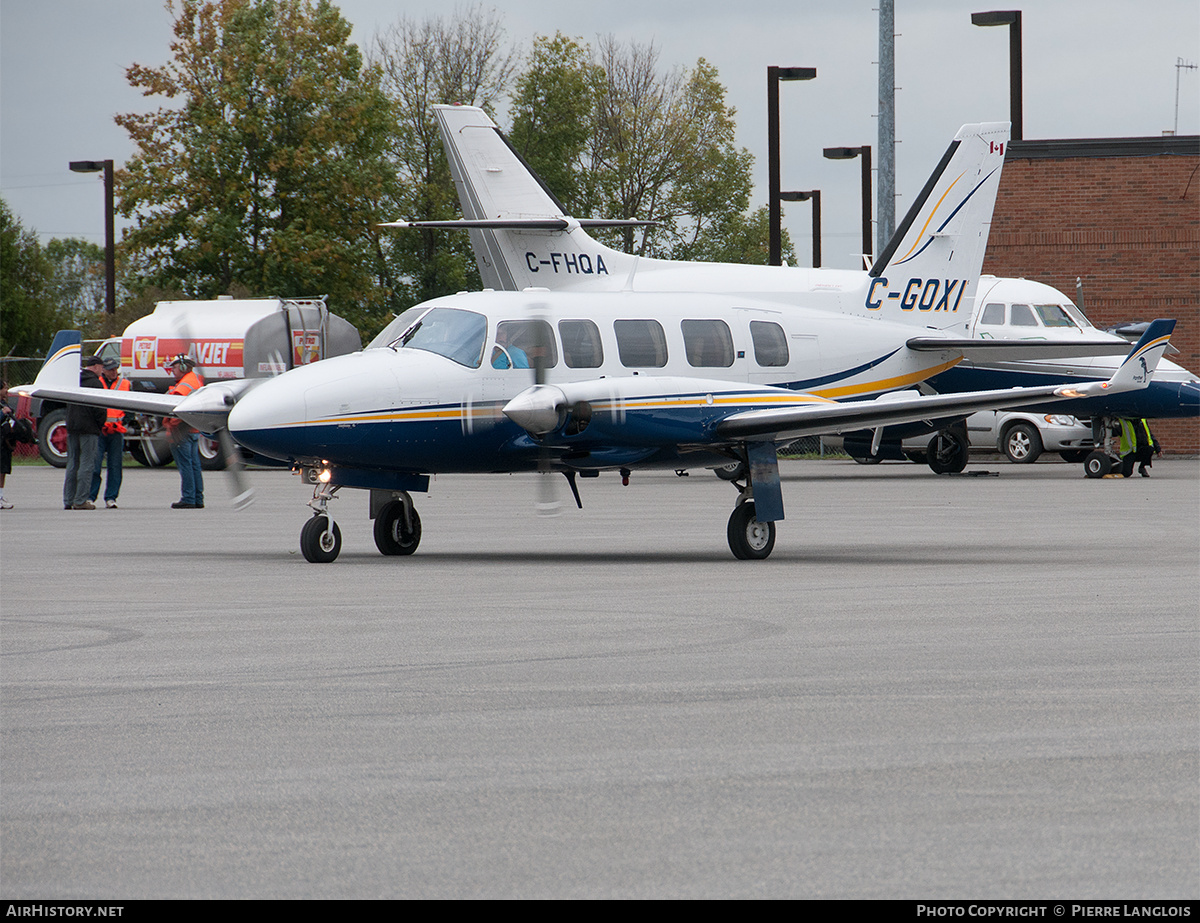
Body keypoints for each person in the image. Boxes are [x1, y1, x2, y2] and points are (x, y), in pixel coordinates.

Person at [63, 355, 106, 510]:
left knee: (72, 462)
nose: (102, 370)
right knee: (87, 463)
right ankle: (80, 500)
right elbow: (100, 409)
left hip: (72, 426)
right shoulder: (95, 383)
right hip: (89, 428)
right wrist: (99, 424)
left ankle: (68, 499)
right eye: (101, 367)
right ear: (95, 367)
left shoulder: (75, 381)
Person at [165, 355, 205, 509]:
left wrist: (170, 425)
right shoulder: (196, 380)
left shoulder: (184, 385)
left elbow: (178, 411)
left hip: (182, 432)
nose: (172, 371)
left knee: (185, 465)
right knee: (194, 465)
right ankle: (198, 498)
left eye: (174, 367)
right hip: (193, 429)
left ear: (182, 367)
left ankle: (188, 497)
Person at [90, 358, 130, 508]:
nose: (114, 372)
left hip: (116, 431)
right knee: (95, 465)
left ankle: (111, 497)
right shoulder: (96, 383)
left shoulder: (124, 384)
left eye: (115, 369)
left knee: (115, 466)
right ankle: (91, 496)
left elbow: (131, 405)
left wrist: (125, 421)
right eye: (111, 369)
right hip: (100, 431)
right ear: (104, 370)